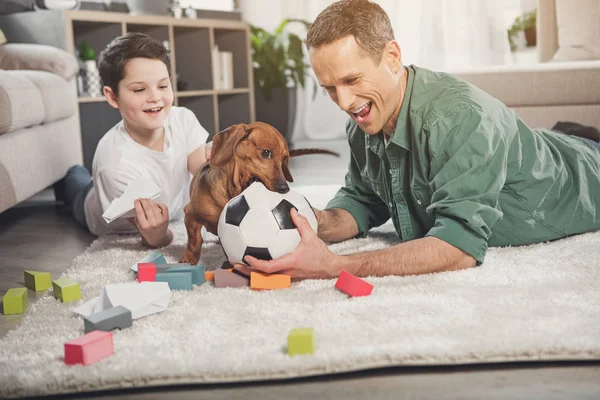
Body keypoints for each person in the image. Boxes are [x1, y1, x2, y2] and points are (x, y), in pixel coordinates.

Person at [235, 0, 600, 279]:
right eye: (330, 88)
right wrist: (308, 221)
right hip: (542, 143)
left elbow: (458, 248)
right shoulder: (364, 122)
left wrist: (334, 265)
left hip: (584, 173)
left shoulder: (461, 120)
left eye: (351, 80)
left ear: (392, 57)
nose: (344, 103)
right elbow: (362, 201)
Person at [62, 32, 212, 248]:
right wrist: (159, 235)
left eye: (162, 86)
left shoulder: (182, 119)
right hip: (98, 211)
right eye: (140, 89)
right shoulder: (114, 167)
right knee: (75, 185)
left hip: (132, 191)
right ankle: (67, 176)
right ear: (113, 97)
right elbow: (155, 236)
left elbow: (204, 176)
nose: (155, 97)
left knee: (85, 180)